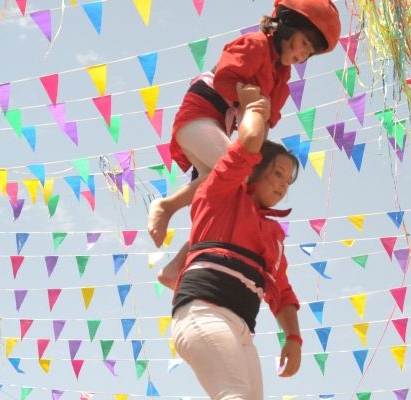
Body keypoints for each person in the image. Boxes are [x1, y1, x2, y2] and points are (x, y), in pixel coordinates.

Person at [149, 0, 341, 289]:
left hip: (220, 125)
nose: (301, 53)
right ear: (285, 27)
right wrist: (250, 102)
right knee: (235, 177)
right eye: (302, 42)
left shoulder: (282, 80)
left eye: (309, 52)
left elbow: (265, 122)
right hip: (199, 115)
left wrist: (258, 118)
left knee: (232, 194)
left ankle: (176, 266)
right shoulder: (255, 45)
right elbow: (226, 78)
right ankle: (166, 206)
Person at [171, 82, 303, 399]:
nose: (283, 186)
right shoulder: (221, 191)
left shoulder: (273, 236)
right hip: (203, 313)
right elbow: (243, 151)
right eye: (278, 174)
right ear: (255, 169)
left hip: (243, 331)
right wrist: (254, 109)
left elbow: (281, 291)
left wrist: (293, 339)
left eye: (288, 181)